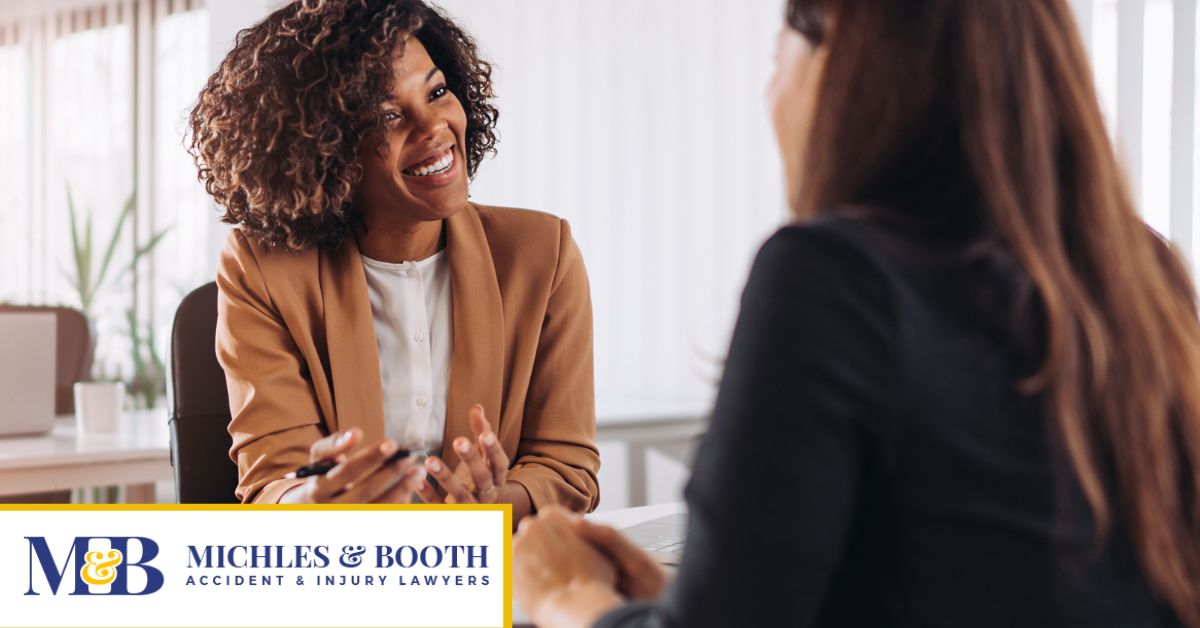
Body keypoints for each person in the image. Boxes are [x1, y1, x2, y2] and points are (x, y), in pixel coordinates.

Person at [512, 0, 1200, 626]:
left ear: (840, 63)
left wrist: (567, 597)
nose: (768, 93)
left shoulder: (832, 278)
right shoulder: (1144, 275)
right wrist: (673, 602)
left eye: (776, 58)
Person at [188, 0, 599, 519]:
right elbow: (274, 479)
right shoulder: (261, 268)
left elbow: (566, 466)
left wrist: (487, 505)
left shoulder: (543, 253)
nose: (432, 127)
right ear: (323, 148)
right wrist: (319, 499)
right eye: (386, 114)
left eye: (437, 92)